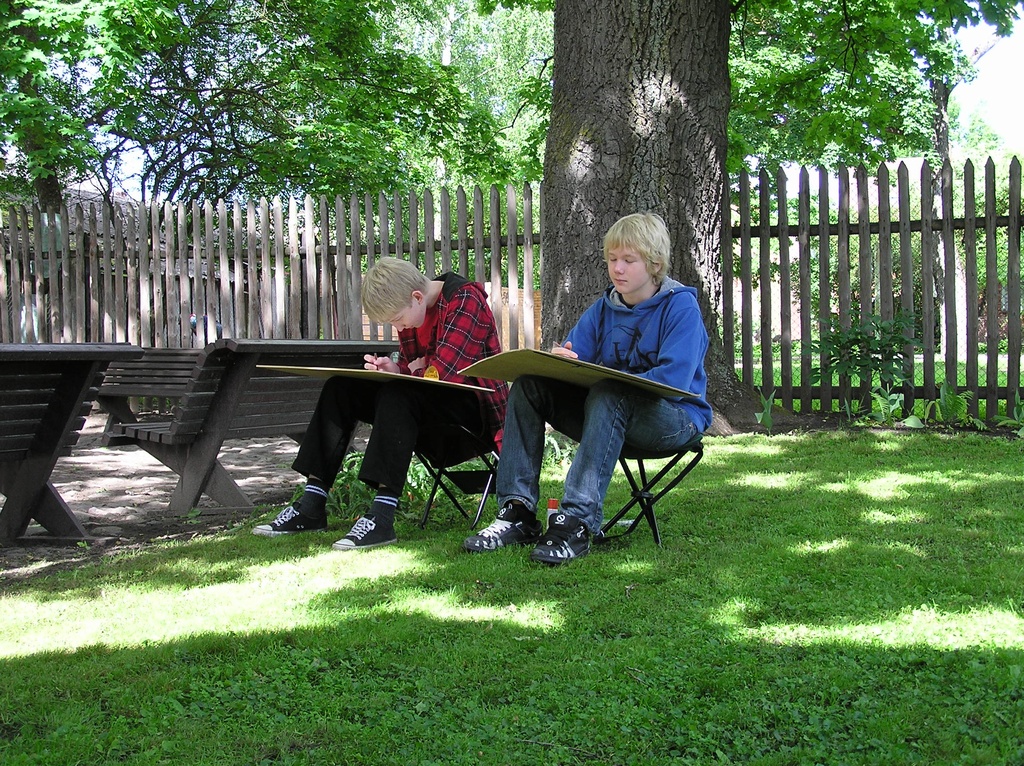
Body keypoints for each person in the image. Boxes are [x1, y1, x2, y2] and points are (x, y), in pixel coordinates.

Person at [464, 212, 712, 565]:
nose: (618, 269)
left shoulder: (680, 306)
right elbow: (575, 360)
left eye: (629, 260)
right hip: (607, 416)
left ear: (654, 263)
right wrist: (559, 361)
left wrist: (606, 383)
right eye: (612, 259)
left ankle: (577, 521)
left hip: (675, 421)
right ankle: (515, 512)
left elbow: (673, 383)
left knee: (611, 392)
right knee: (530, 385)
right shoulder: (603, 308)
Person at [254, 257, 508, 550]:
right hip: (425, 410)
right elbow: (423, 372)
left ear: (416, 297)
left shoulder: (465, 300)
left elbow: (444, 376)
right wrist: (398, 369)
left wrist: (415, 370)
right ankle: (311, 504)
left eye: (397, 320)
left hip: (473, 422)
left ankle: (382, 516)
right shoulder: (415, 309)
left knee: (399, 394)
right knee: (342, 387)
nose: (397, 326)